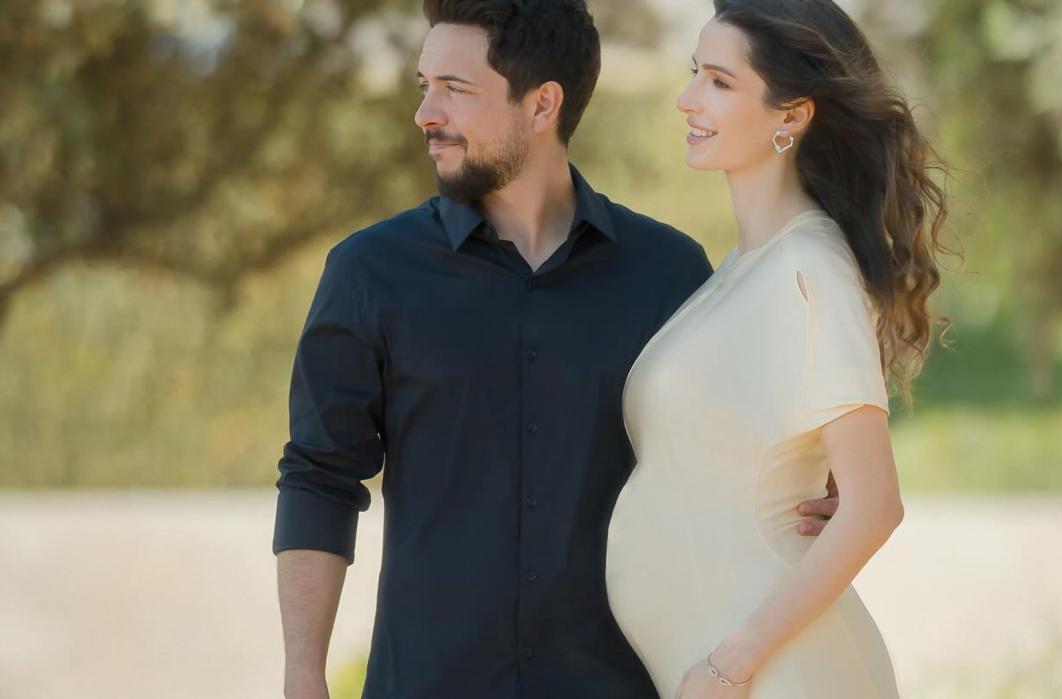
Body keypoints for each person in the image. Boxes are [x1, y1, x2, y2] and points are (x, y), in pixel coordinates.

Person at [271, 2, 840, 698]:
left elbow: (737, 447)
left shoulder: (669, 273)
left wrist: (811, 481)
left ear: (542, 105)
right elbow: (319, 477)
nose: (425, 111)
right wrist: (304, 674)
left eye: (455, 88)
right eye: (424, 84)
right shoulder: (369, 273)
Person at [605, 1, 950, 697]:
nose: (687, 98)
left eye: (720, 83)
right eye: (694, 73)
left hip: (774, 671)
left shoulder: (808, 268)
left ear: (791, 115)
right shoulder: (746, 266)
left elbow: (874, 503)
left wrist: (730, 664)